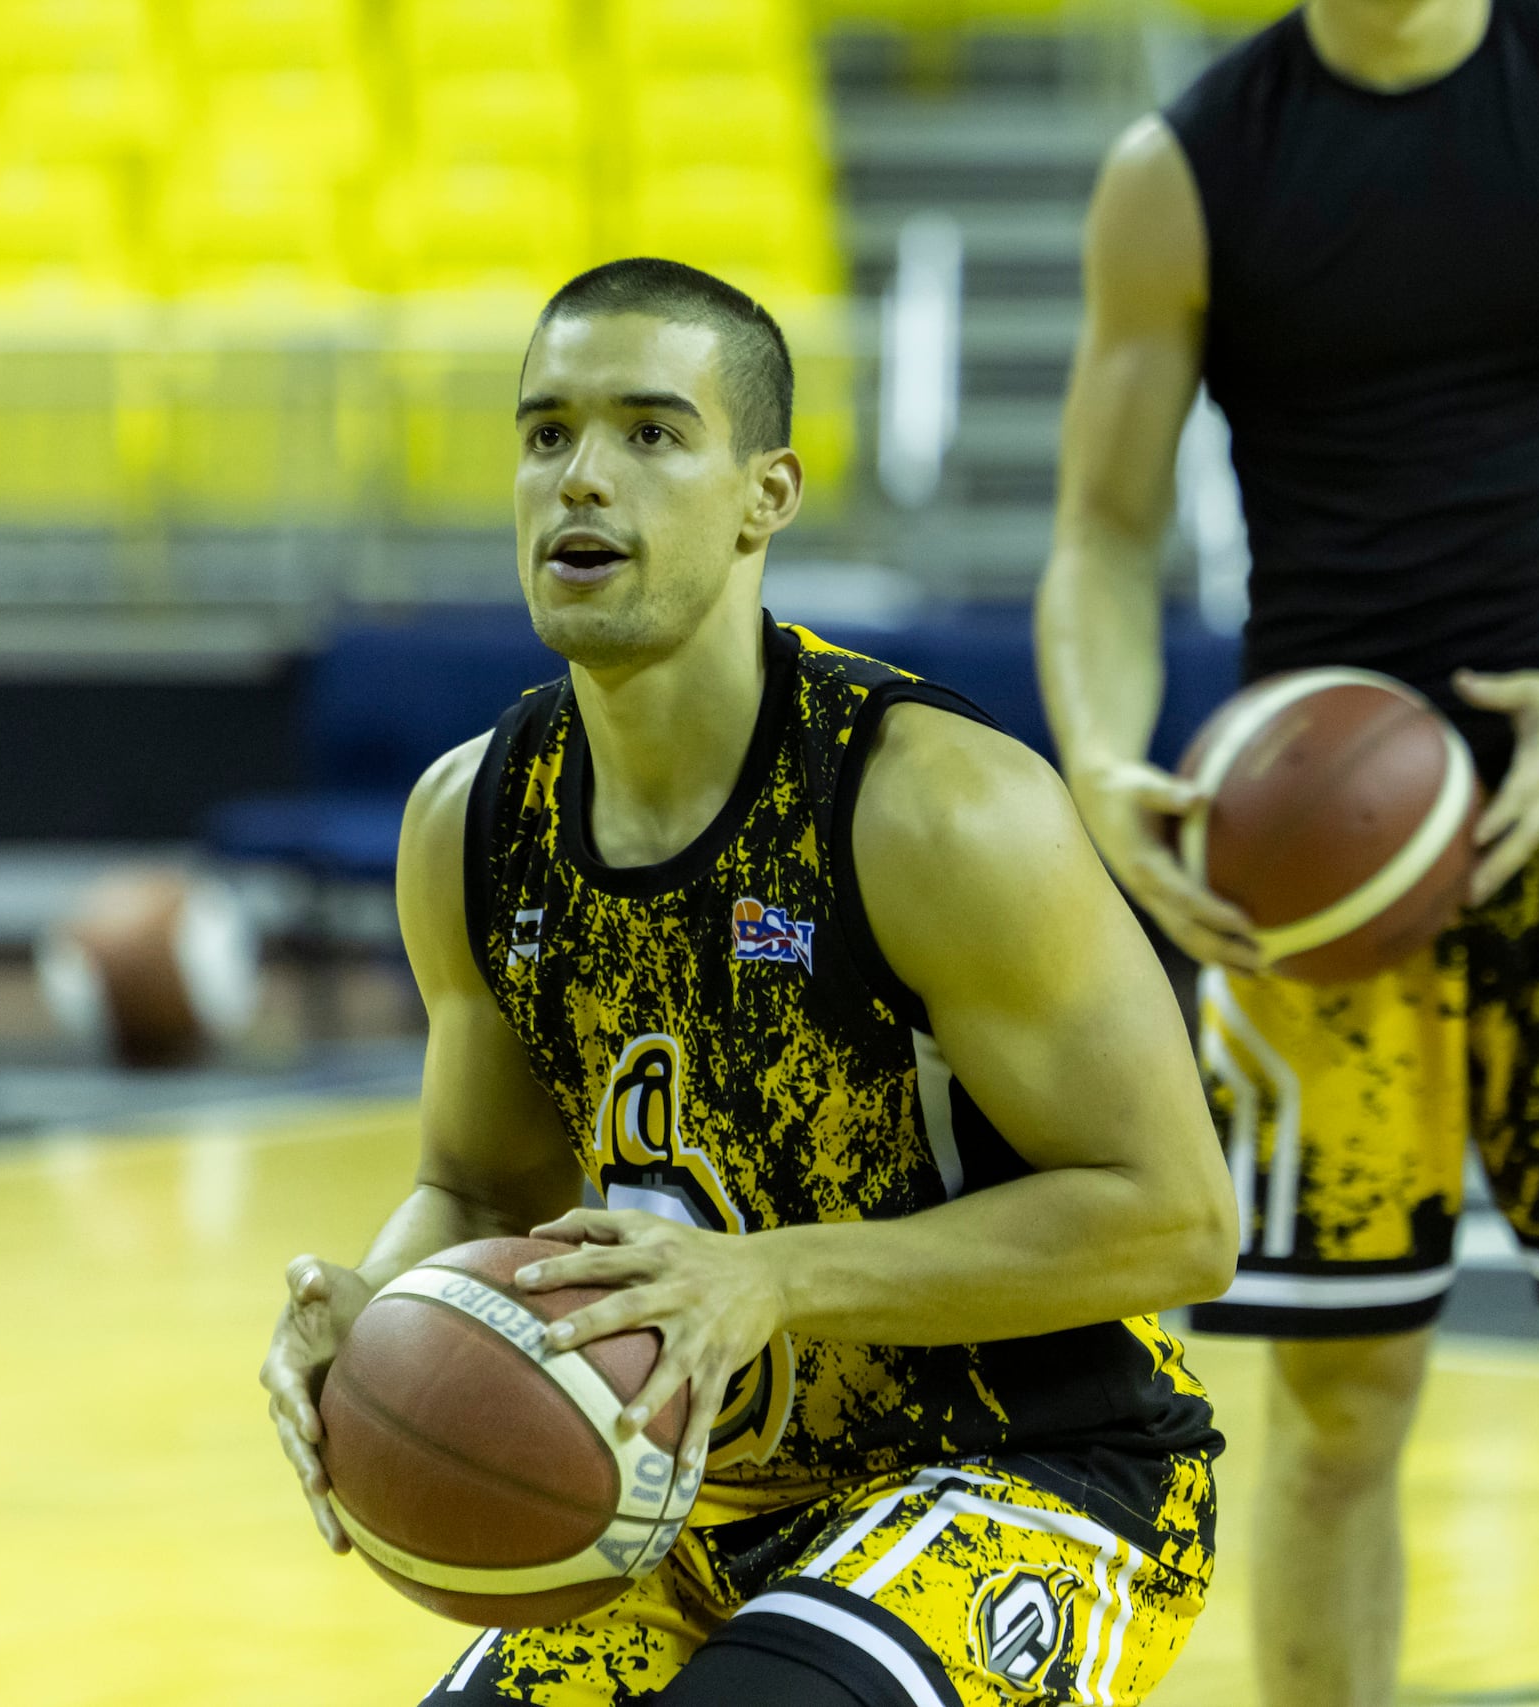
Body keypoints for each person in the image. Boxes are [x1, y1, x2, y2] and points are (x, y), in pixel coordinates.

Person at [261, 257, 1240, 1706]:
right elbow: (474, 1189)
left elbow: (1181, 1220)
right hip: (677, 1502)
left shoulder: (931, 804)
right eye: (548, 433)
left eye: (651, 432)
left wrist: (768, 1279)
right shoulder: (471, 818)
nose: (583, 477)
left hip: (1036, 1476)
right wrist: (376, 1306)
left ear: (763, 497)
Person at [1034, 0, 1539, 1703]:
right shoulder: (1184, 169)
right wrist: (1098, 760)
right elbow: (1104, 526)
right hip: (1305, 878)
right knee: (1335, 1412)